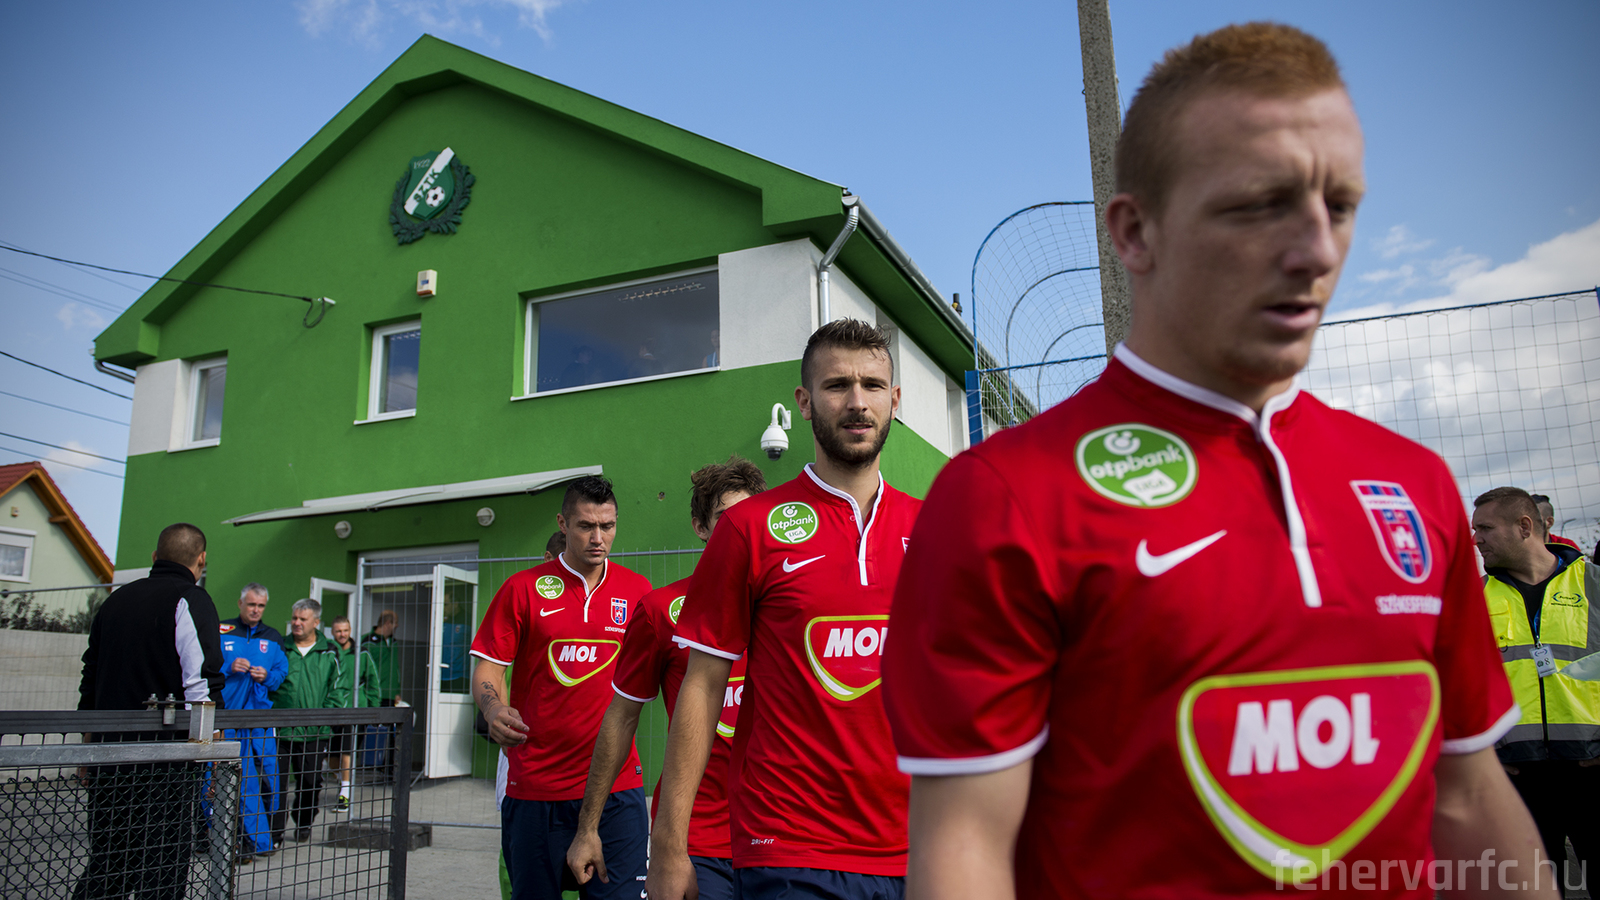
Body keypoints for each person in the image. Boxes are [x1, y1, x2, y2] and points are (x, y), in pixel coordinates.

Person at [880, 23, 1547, 899]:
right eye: (1259, 204)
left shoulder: (1414, 484)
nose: (1316, 250)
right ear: (1135, 233)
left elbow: (1466, 797)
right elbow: (966, 846)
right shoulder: (1004, 496)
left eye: (1340, 205)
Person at [650, 319, 921, 900]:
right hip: (789, 849)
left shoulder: (936, 527)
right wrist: (669, 846)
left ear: (895, 401)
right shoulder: (747, 529)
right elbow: (703, 686)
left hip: (918, 845)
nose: (857, 402)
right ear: (803, 401)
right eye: (837, 385)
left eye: (873, 385)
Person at [567, 458, 767, 898]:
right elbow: (621, 718)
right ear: (700, 527)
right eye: (726, 519)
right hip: (697, 843)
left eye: (751, 517)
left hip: (781, 837)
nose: (741, 530)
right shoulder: (660, 611)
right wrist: (588, 827)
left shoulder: (789, 608)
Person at [471, 475, 654, 900]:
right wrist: (493, 708)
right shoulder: (522, 589)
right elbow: (488, 668)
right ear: (563, 523)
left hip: (616, 790)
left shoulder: (637, 591)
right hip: (537, 790)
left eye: (607, 526)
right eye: (586, 526)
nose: (598, 538)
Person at [76, 522, 225, 899]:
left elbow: (91, 674)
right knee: (161, 867)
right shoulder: (191, 599)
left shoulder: (116, 600)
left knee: (108, 862)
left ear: (155, 556)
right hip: (165, 763)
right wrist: (212, 749)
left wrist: (87, 744)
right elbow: (201, 682)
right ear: (202, 559)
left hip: (109, 757)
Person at [1474, 486, 1600, 896]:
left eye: (1485, 528)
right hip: (1518, 778)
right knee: (1532, 890)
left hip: (1591, 770)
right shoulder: (1473, 599)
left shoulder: (1594, 585)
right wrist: (1486, 752)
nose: (1475, 539)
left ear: (1525, 526)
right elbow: (1460, 687)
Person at [269, 598, 347, 845]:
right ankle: (275, 833)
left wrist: (324, 718)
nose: (296, 623)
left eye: (303, 619)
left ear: (316, 622)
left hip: (315, 732)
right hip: (280, 730)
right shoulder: (280, 647)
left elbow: (338, 689)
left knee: (310, 782)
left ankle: (304, 822)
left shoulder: (330, 651)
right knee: (276, 783)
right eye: (294, 618)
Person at [219, 592, 289, 863]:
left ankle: (259, 839)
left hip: (258, 721)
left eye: (261, 605)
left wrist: (268, 676)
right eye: (251, 604)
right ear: (240, 603)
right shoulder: (222, 630)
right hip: (226, 719)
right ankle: (222, 837)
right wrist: (228, 666)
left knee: (266, 779)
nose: (256, 610)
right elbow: (204, 666)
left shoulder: (272, 637)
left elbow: (281, 673)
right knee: (224, 780)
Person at [360, 609, 403, 783]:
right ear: (387, 623)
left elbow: (395, 668)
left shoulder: (393, 642)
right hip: (373, 695)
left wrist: (397, 691)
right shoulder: (368, 642)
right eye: (395, 623)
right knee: (365, 730)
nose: (397, 627)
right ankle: (354, 767)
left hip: (390, 695)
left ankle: (389, 768)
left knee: (393, 732)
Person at [328, 614, 359, 812]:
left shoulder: (360, 653)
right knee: (331, 757)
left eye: (345, 630)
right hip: (331, 710)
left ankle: (345, 794)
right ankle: (343, 781)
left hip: (351, 710)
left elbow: (371, 680)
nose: (342, 634)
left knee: (346, 752)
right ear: (332, 632)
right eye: (338, 631)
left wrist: (371, 706)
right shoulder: (327, 651)